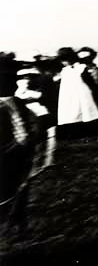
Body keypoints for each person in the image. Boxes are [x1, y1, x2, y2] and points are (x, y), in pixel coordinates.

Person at [0, 53, 47, 234]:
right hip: (10, 153)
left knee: (16, 187)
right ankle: (16, 219)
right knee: (14, 187)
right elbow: (21, 133)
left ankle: (17, 220)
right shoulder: (9, 104)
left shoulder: (13, 102)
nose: (13, 84)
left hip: (12, 152)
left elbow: (24, 127)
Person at [55, 46, 98, 136]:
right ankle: (75, 131)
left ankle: (89, 130)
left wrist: (94, 90)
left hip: (82, 93)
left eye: (64, 60)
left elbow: (89, 82)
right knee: (72, 111)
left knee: (85, 110)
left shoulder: (81, 68)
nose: (63, 63)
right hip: (69, 95)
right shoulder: (64, 71)